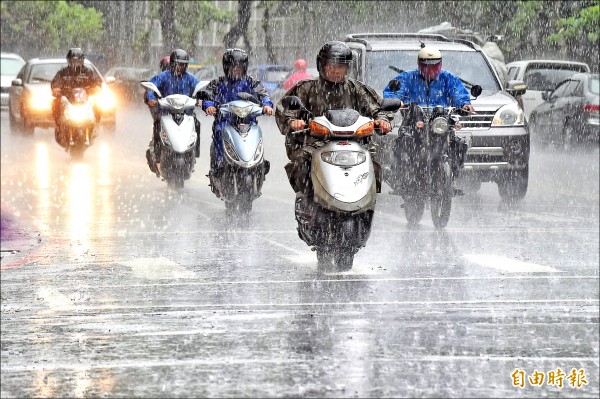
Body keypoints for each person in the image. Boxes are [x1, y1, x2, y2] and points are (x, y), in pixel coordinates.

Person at [275, 40, 392, 194]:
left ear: (347, 68)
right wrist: (293, 121)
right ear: (321, 66)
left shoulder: (356, 88)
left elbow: (378, 107)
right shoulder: (306, 87)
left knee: (374, 157)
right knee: (302, 161)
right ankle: (307, 198)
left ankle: (367, 197)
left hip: (353, 141)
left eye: (340, 66)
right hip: (315, 142)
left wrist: (382, 120)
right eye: (331, 66)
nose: (336, 70)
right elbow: (285, 108)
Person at [383, 46, 474, 189]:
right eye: (426, 66)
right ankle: (401, 175)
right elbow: (393, 91)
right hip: (414, 120)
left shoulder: (447, 78)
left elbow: (458, 92)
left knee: (458, 144)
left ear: (440, 64)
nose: (430, 70)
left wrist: (464, 104)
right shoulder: (408, 77)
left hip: (440, 121)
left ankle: (453, 173)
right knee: (402, 143)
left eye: (434, 66)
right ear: (419, 64)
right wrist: (396, 101)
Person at [201, 48, 274, 179]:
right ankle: (219, 165)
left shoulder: (252, 82)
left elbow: (264, 96)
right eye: (233, 67)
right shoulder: (218, 83)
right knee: (219, 131)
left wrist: (267, 106)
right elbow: (206, 96)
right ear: (226, 67)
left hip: (248, 122)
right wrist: (209, 106)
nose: (236, 70)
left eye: (239, 67)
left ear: (245, 68)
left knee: (257, 133)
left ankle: (259, 163)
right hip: (225, 121)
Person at [144, 48, 202, 176]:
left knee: (197, 123)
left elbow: (200, 90)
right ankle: (158, 155)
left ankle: (194, 152)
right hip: (166, 113)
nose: (180, 67)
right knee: (158, 124)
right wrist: (151, 98)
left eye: (183, 64)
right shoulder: (164, 76)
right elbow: (151, 87)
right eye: (177, 64)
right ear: (172, 64)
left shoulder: (190, 78)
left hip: (186, 113)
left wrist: (204, 100)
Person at [51, 48, 103, 147]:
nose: (75, 63)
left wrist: (97, 87)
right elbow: (55, 82)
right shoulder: (63, 72)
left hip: (84, 101)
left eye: (78, 60)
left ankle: (95, 124)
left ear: (82, 61)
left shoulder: (88, 72)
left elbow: (97, 82)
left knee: (97, 103)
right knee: (55, 102)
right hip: (68, 101)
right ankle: (59, 125)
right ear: (69, 61)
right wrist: (56, 89)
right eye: (73, 60)